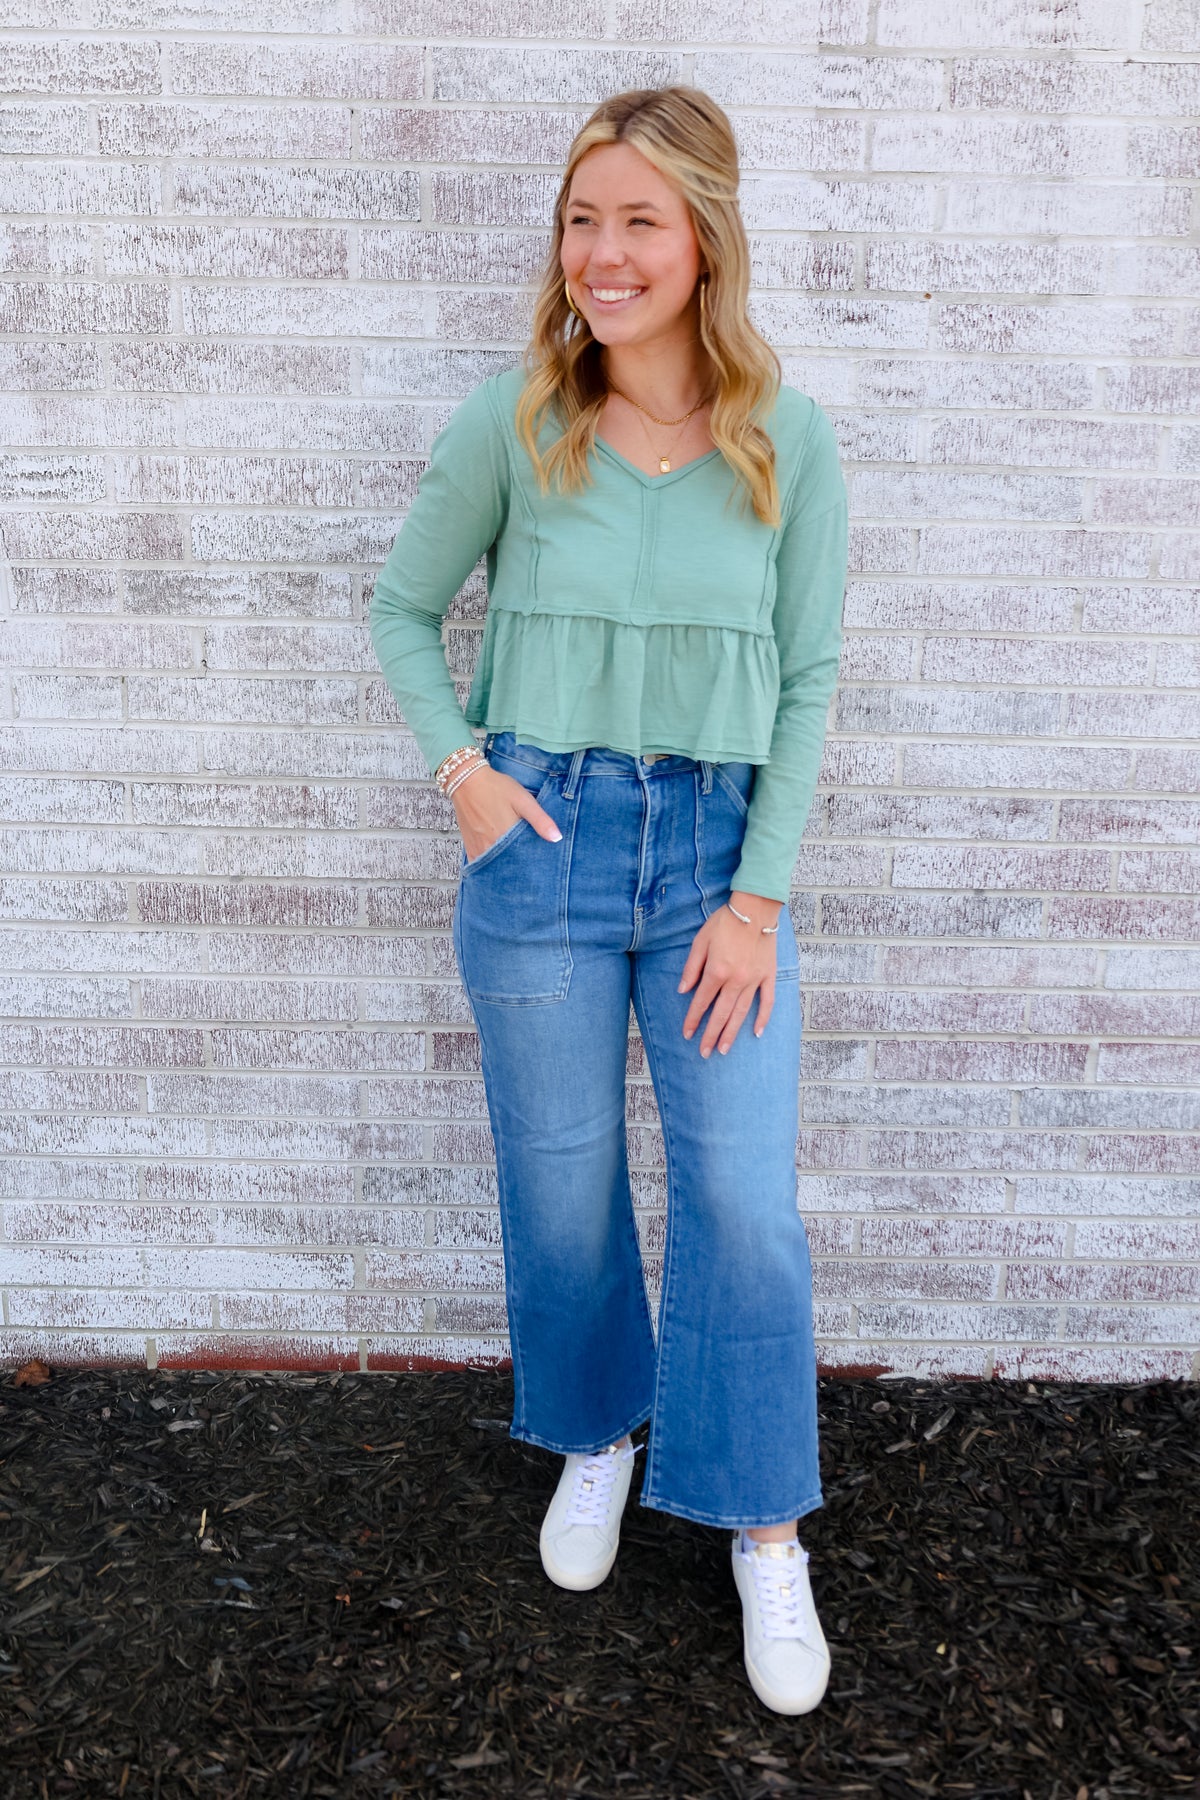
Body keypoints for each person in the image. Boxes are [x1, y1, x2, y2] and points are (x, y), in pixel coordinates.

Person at [369, 85, 848, 1716]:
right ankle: (596, 1435)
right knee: (563, 1187)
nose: (604, 253)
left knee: (744, 1203)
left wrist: (758, 900)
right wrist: (464, 773)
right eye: (584, 219)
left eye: (640, 219)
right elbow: (402, 608)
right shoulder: (515, 423)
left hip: (716, 867)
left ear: (705, 236)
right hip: (542, 853)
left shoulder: (787, 440)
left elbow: (810, 680)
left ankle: (765, 1525)